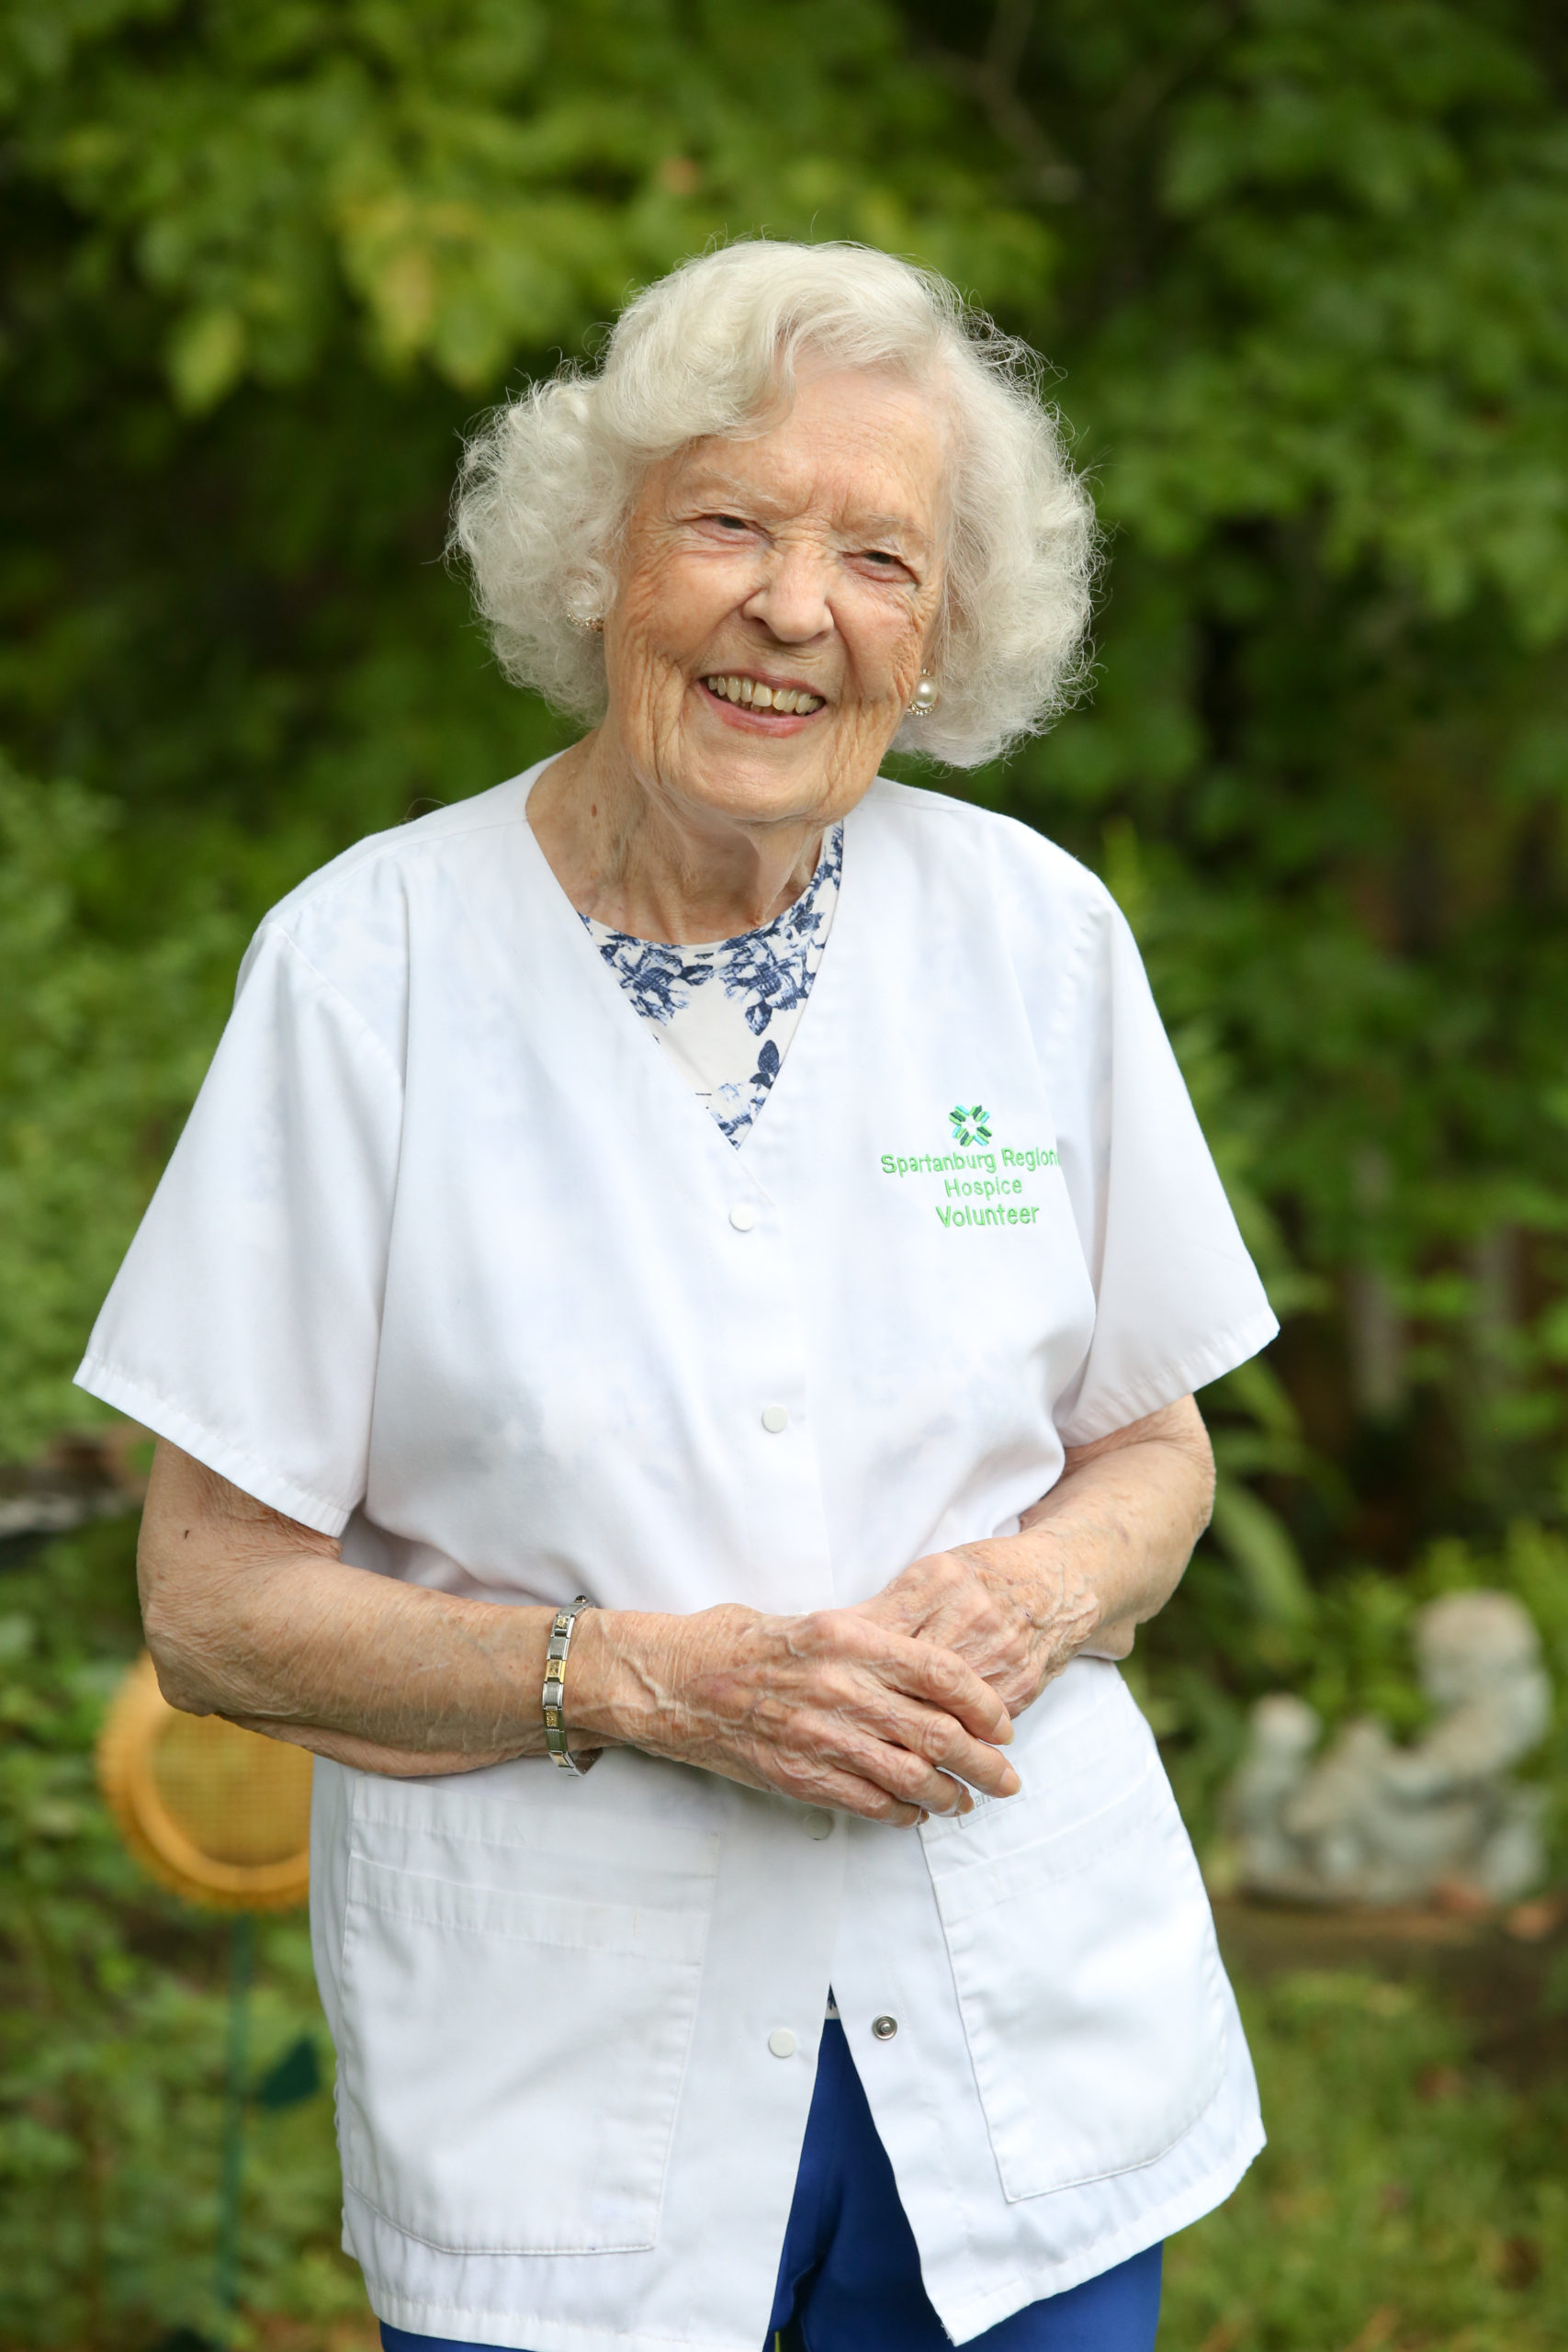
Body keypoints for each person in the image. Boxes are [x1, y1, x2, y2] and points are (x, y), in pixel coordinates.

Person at [78, 241, 1280, 2352]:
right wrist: (634, 1676)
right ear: (595, 567)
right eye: (724, 521)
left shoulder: (1038, 932)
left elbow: (1152, 1441)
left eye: (875, 555)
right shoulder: (365, 971)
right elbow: (210, 1600)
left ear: (945, 631)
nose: (790, 607)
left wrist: (1031, 1595)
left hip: (1026, 2051)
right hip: (564, 2099)